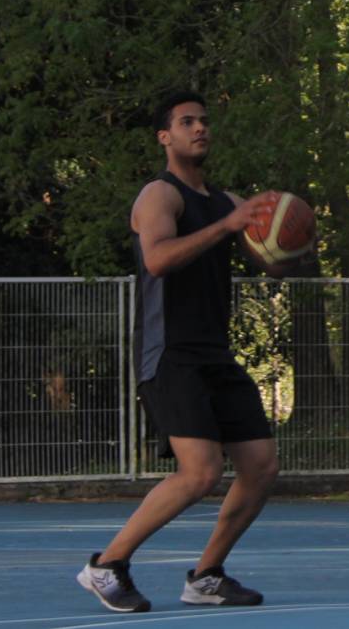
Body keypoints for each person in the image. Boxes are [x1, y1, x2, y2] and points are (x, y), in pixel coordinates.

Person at [77, 91, 294, 613]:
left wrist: (286, 233)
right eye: (187, 122)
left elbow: (272, 265)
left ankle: (206, 576)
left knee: (261, 466)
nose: (200, 128)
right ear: (165, 137)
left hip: (215, 352)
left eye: (204, 121)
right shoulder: (159, 195)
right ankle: (107, 565)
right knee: (199, 473)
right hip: (170, 353)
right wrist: (226, 226)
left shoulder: (226, 202)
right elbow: (157, 260)